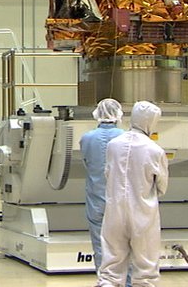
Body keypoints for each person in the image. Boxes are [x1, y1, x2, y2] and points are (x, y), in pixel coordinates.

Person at [97, 101, 168, 287]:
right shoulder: (155, 150)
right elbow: (162, 186)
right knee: (146, 271)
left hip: (114, 212)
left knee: (110, 269)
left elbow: (107, 173)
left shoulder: (113, 145)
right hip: (144, 214)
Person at [80, 99, 126, 273]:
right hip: (122, 202)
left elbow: (88, 164)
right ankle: (126, 283)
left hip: (96, 201)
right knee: (124, 246)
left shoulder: (87, 138)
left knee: (100, 246)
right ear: (119, 114)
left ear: (97, 113)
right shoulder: (126, 136)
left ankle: (105, 280)